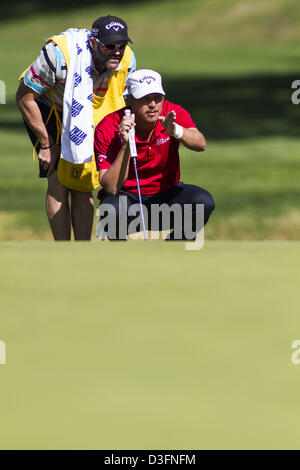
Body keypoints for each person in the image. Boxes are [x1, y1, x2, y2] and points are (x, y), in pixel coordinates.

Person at [16, 15, 136, 241]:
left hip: (87, 113)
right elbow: (24, 97)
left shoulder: (128, 61)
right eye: (110, 45)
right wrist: (47, 143)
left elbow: (124, 100)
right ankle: (63, 250)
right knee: (58, 178)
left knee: (83, 182)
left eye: (122, 45)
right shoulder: (57, 56)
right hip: (46, 108)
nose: (117, 51)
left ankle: (82, 251)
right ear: (93, 43)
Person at [94, 69, 215, 240]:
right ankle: (121, 262)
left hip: (166, 198)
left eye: (157, 98)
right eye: (145, 99)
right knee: (110, 212)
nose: (153, 105)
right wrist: (126, 146)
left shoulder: (171, 113)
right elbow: (111, 187)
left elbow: (201, 144)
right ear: (129, 100)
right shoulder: (108, 126)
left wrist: (176, 131)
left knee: (203, 202)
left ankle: (175, 249)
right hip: (127, 200)